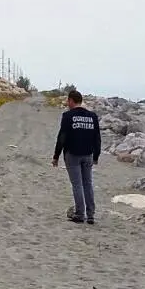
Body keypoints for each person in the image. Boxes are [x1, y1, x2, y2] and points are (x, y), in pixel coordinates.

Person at [51, 89, 101, 224]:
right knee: (88, 184)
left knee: (77, 185)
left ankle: (80, 214)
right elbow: (97, 137)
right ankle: (91, 215)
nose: (68, 103)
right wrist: (96, 155)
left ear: (71, 101)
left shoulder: (68, 116)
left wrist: (56, 156)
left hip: (72, 155)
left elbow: (62, 137)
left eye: (68, 101)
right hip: (88, 154)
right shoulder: (92, 116)